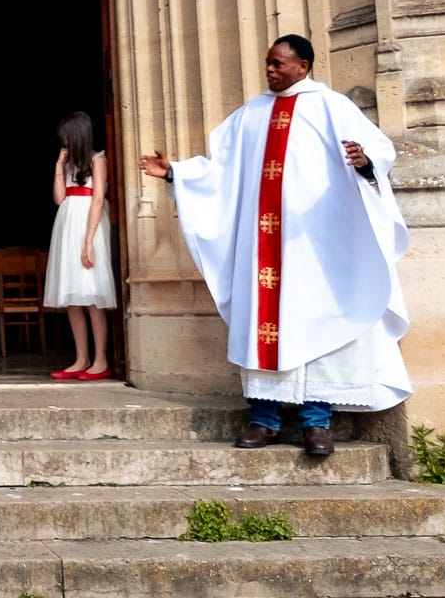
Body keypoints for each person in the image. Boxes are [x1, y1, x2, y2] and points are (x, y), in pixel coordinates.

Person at [139, 35, 410, 456]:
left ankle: (316, 423)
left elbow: (378, 150)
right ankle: (263, 419)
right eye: (267, 62)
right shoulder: (250, 115)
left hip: (315, 246)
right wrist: (176, 172)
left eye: (278, 63)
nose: (270, 70)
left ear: (303, 65)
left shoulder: (332, 107)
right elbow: (220, 171)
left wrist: (365, 162)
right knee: (262, 325)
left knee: (319, 327)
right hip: (262, 245)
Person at [42, 111, 116, 380]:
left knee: (92, 294)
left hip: (88, 224)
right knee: (73, 297)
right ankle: (81, 357)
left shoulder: (98, 160)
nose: (64, 140)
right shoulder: (69, 163)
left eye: (67, 135)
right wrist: (58, 166)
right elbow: (59, 198)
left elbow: (98, 200)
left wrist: (89, 241)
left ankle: (100, 360)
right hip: (67, 223)